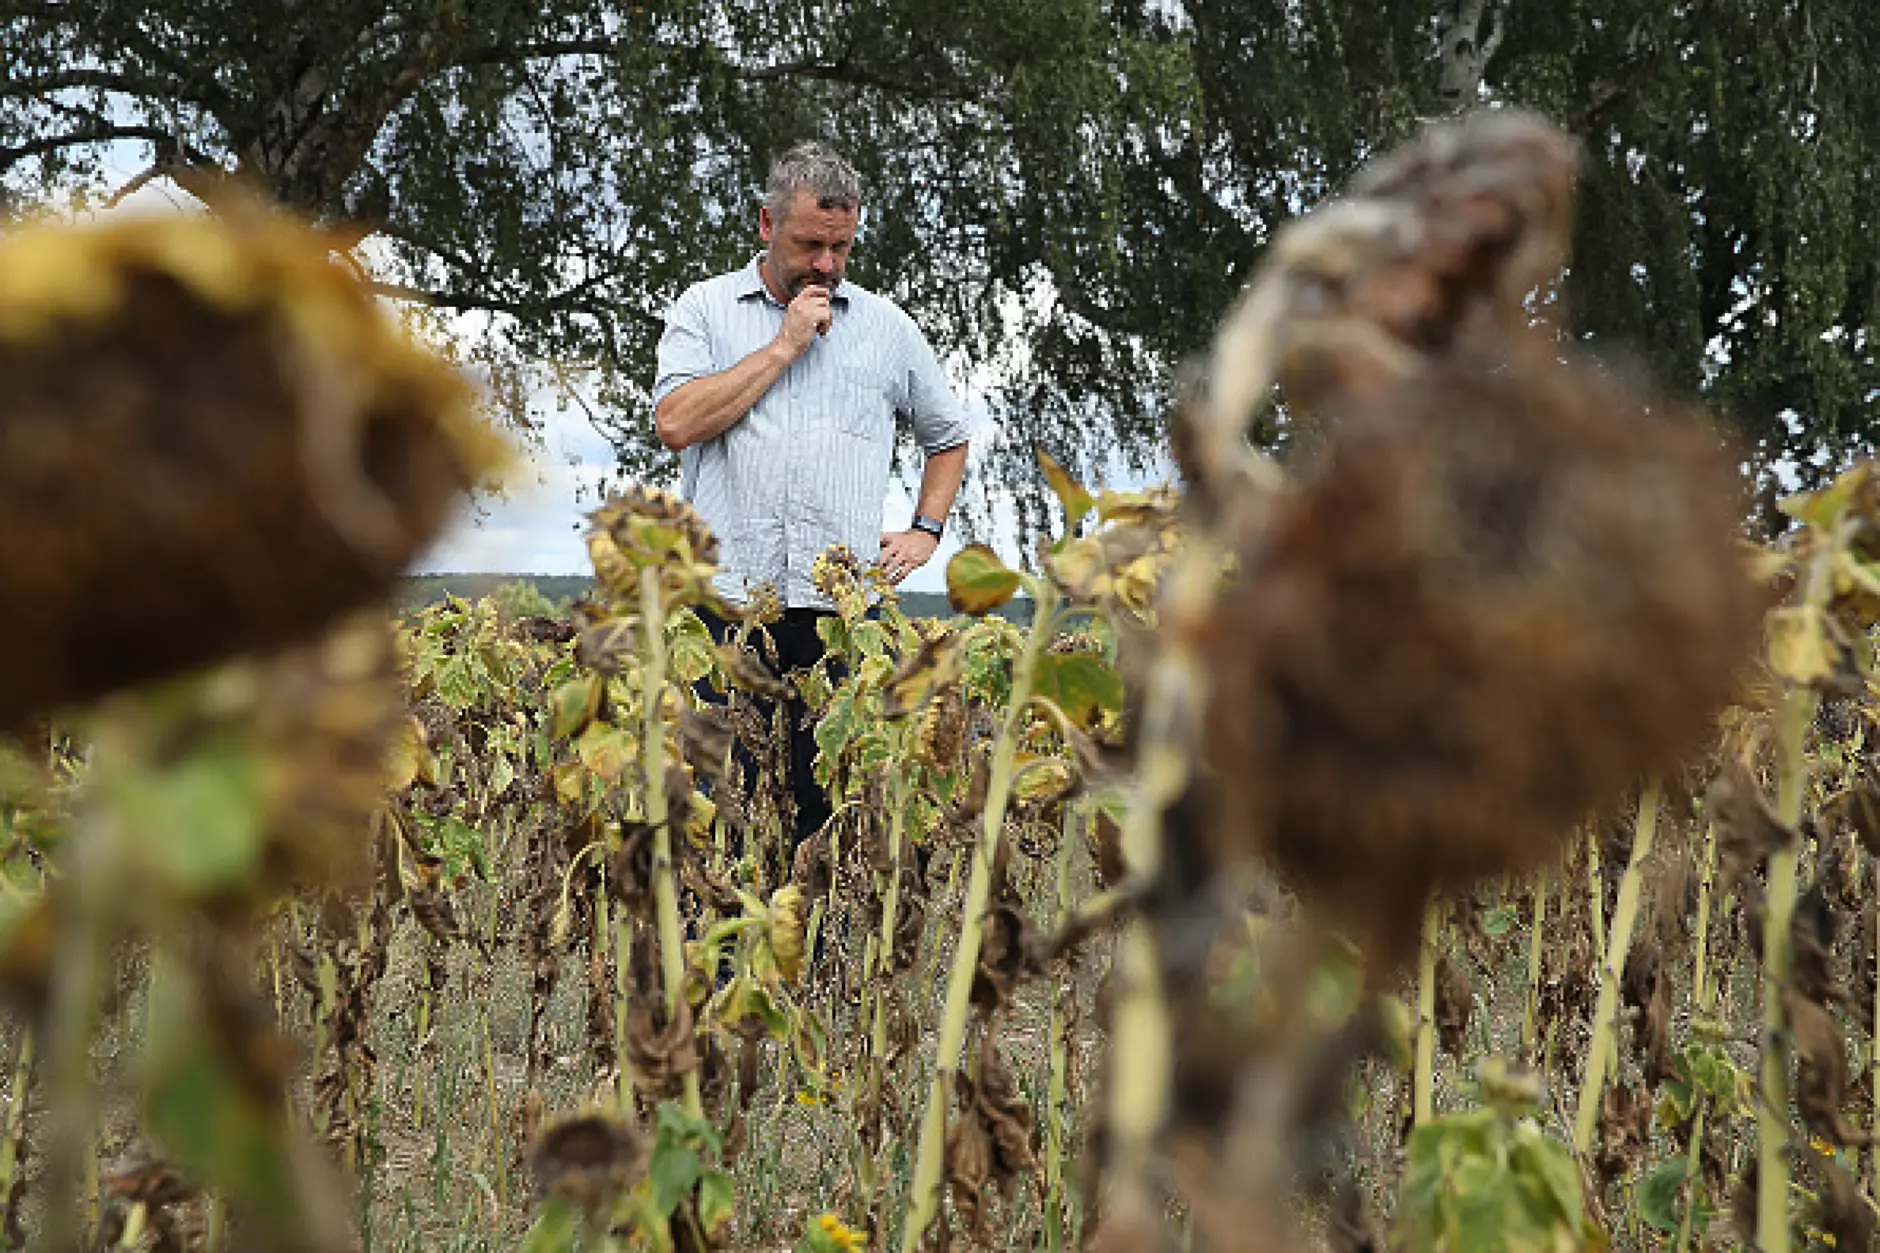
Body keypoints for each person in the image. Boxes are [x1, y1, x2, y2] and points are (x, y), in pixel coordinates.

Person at [651, 141, 971, 862]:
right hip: (725, 614)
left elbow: (948, 437)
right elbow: (675, 422)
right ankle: (720, 972)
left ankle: (816, 974)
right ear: (766, 224)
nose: (825, 264)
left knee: (823, 828)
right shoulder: (705, 310)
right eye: (808, 244)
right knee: (717, 820)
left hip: (840, 621)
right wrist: (782, 348)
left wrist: (925, 530)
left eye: (841, 246)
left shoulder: (889, 331)